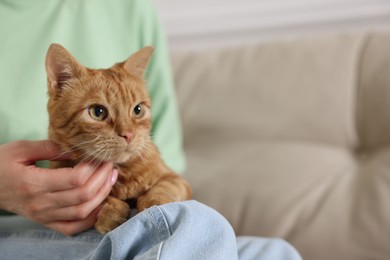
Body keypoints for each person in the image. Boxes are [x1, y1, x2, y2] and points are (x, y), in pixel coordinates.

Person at [0, 0, 301, 259]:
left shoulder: (131, 7)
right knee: (186, 226)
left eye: (137, 111)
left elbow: (174, 181)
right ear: (59, 85)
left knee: (275, 253)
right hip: (14, 234)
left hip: (144, 227)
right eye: (99, 112)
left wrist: (156, 199)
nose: (126, 131)